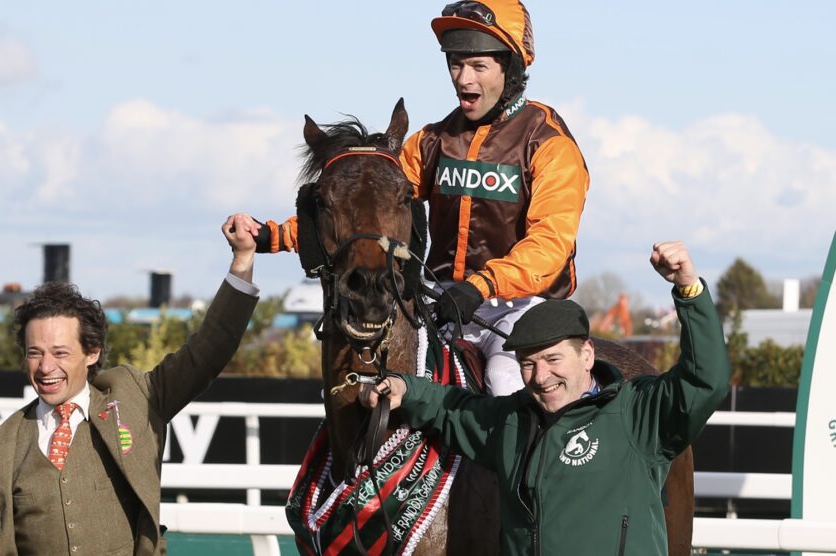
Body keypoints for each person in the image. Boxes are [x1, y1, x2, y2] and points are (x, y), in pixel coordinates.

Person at [255, 0, 589, 396]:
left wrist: (481, 285)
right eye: (455, 64)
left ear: (511, 70)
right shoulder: (432, 141)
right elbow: (369, 214)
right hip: (443, 302)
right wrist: (274, 236)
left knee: (503, 384)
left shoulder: (548, 144)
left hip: (522, 310)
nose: (464, 79)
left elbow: (550, 246)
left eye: (478, 67)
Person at [359, 241, 731, 556]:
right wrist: (405, 389)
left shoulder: (639, 413)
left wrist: (688, 290)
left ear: (587, 355)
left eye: (553, 360)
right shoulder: (510, 421)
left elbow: (705, 380)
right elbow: (452, 409)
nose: (541, 377)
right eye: (528, 364)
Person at [0, 214, 261, 556]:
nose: (46, 367)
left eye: (60, 352)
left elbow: (209, 348)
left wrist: (242, 259)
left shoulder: (138, 399)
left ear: (92, 351)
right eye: (34, 353)